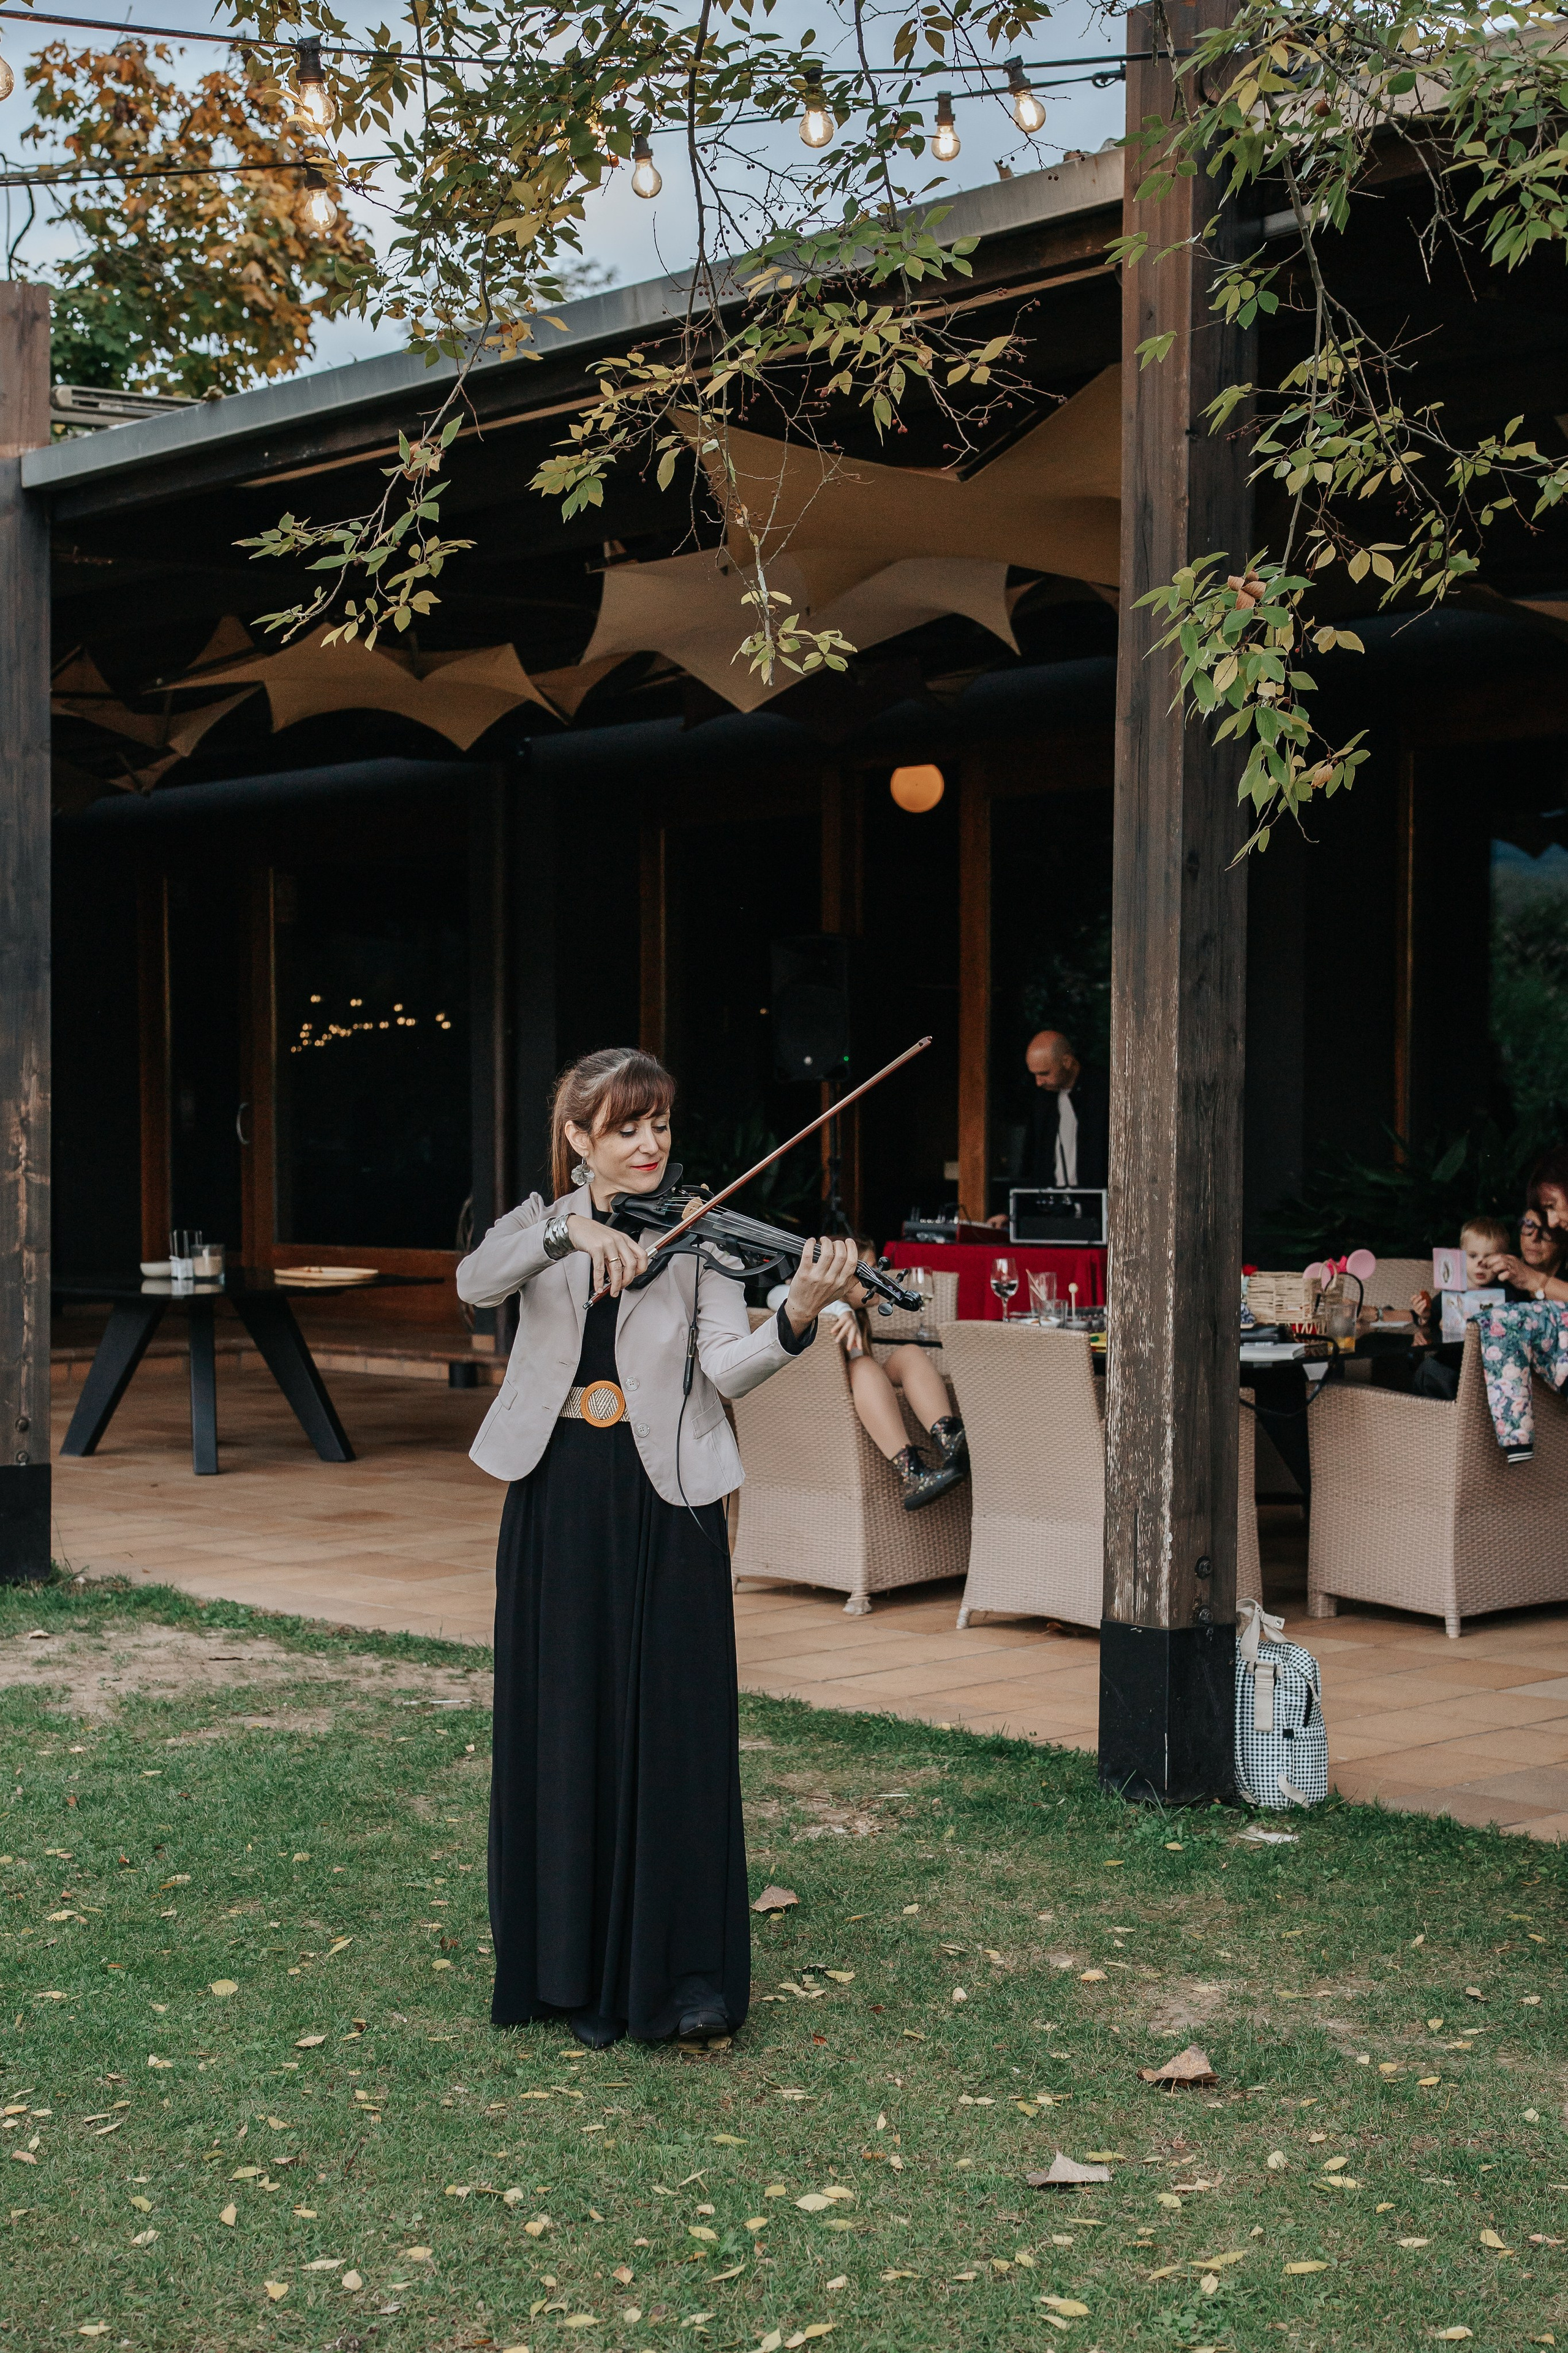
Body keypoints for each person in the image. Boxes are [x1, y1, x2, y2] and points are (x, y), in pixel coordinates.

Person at [456, 1046, 861, 2050]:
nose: (650, 1145)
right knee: (562, 1716)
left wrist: (796, 1316)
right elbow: (475, 1282)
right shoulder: (539, 1224)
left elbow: (726, 1366)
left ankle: (675, 1976)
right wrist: (571, 1228)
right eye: (627, 1128)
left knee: (670, 1727)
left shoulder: (699, 1240)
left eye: (661, 1126)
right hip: (555, 1494)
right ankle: (559, 1965)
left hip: (664, 1496)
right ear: (580, 1138)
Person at [823, 1250, 968, 1510]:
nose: (878, 1276)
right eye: (867, 1270)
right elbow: (777, 1295)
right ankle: (913, 1473)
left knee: (909, 1353)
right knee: (864, 1366)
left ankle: (951, 1439)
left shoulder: (862, 1312)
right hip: (837, 1394)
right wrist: (840, 1307)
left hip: (869, 1387)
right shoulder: (818, 1302)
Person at [1465, 1150, 1568, 1460]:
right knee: (1502, 1320)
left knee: (1507, 1319)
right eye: (1529, 1225)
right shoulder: (1506, 1278)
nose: (1550, 1223)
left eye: (1552, 1209)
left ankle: (1518, 1437)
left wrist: (1535, 1282)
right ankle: (1517, 1438)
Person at [987, 1027, 1109, 1226]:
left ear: (1068, 1062)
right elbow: (1034, 1162)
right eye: (1034, 1075)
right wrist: (1010, 1212)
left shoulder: (1102, 1090)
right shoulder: (1043, 1101)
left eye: (1044, 1074)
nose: (1038, 1082)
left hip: (1098, 1211)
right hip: (1051, 1211)